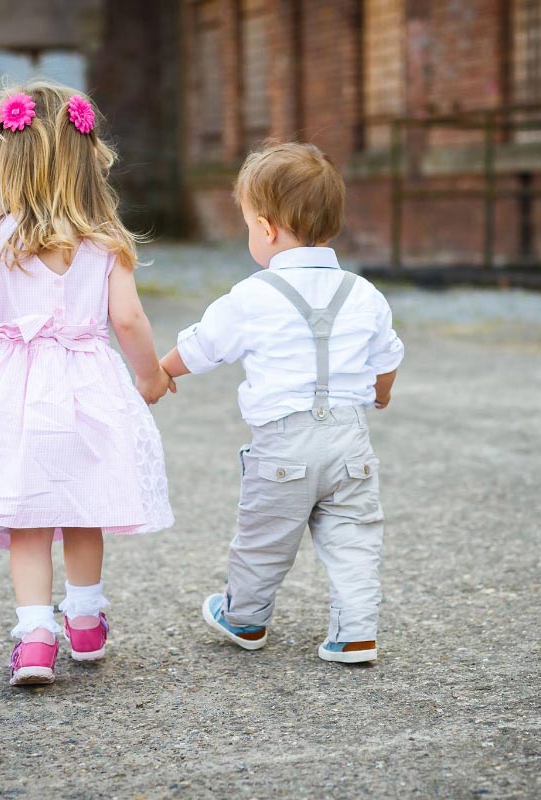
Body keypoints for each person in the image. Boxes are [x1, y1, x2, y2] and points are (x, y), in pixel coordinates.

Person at [0, 80, 174, 686]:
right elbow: (128, 319)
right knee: (84, 505)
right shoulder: (105, 239)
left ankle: (36, 637)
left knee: (28, 516)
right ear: (88, 160)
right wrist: (150, 375)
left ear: (6, 159)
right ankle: (85, 623)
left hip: (14, 391)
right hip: (87, 386)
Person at [160, 141, 403, 664]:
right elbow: (387, 357)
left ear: (267, 229)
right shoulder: (364, 293)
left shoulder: (252, 296)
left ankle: (245, 618)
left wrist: (161, 371)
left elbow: (203, 345)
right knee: (354, 538)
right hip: (350, 442)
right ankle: (356, 632)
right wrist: (380, 394)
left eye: (248, 224)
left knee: (264, 539)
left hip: (283, 448)